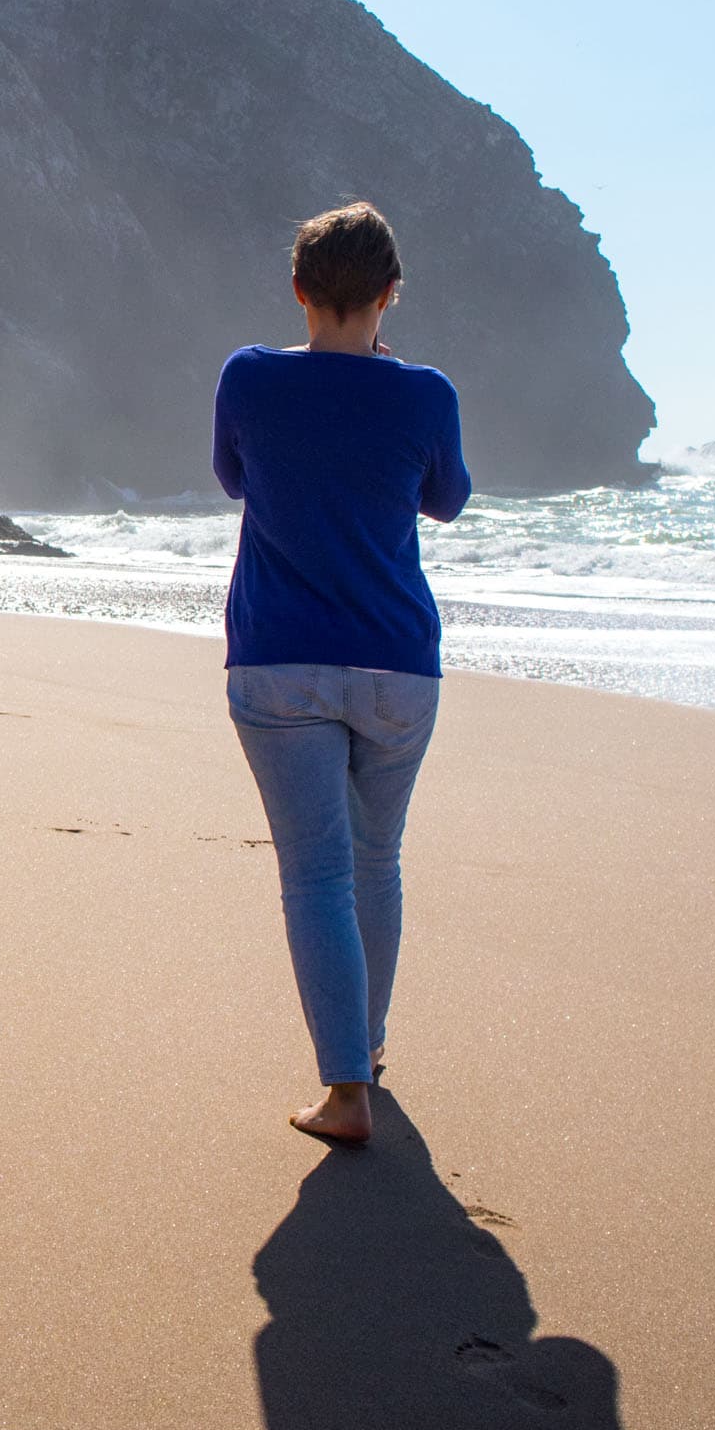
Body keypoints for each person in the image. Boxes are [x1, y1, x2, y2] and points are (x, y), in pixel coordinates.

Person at [212, 200, 470, 1148]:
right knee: (376, 862)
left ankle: (346, 1089)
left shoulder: (247, 378)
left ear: (298, 291)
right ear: (390, 294)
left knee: (316, 875)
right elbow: (447, 499)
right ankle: (367, 1052)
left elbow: (234, 478)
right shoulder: (426, 393)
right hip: (399, 664)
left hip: (279, 660)